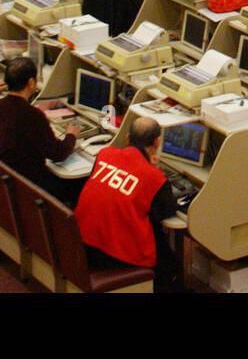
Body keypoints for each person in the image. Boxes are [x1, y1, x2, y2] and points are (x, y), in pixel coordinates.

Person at [75, 116, 179, 285]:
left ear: (127, 138)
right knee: (167, 258)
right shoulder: (154, 176)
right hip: (116, 256)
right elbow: (168, 209)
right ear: (157, 143)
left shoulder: (104, 154)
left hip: (83, 243)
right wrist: (154, 169)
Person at [0, 57, 80, 199]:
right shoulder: (33, 115)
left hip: (6, 179)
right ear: (31, 83)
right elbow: (58, 154)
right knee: (79, 184)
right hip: (30, 185)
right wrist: (71, 136)